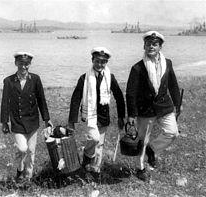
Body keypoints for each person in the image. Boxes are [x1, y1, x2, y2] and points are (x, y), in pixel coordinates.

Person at [126, 31, 181, 181]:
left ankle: (153, 149)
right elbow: (130, 93)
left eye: (155, 44)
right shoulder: (137, 68)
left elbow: (173, 84)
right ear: (144, 45)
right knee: (142, 140)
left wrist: (178, 104)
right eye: (148, 43)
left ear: (160, 47)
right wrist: (131, 115)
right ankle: (140, 168)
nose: (151, 46)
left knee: (172, 132)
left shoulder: (167, 63)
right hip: (146, 109)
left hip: (164, 106)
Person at [68, 47, 125, 180]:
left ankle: (94, 171)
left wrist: (121, 117)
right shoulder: (84, 78)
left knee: (100, 145)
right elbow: (76, 98)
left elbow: (119, 96)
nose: (100, 64)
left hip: (104, 117)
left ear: (106, 62)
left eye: (103, 62)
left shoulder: (110, 78)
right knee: (94, 138)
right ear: (92, 60)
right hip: (90, 116)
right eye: (97, 61)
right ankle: (87, 159)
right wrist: (72, 120)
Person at [0, 52, 53, 183]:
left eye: (26, 64)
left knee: (31, 151)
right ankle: (19, 170)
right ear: (16, 63)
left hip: (32, 121)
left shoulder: (35, 79)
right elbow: (5, 102)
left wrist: (47, 119)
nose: (23, 67)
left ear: (30, 64)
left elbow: (41, 100)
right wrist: (4, 122)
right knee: (22, 149)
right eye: (21, 64)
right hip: (17, 122)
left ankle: (27, 178)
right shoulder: (9, 81)